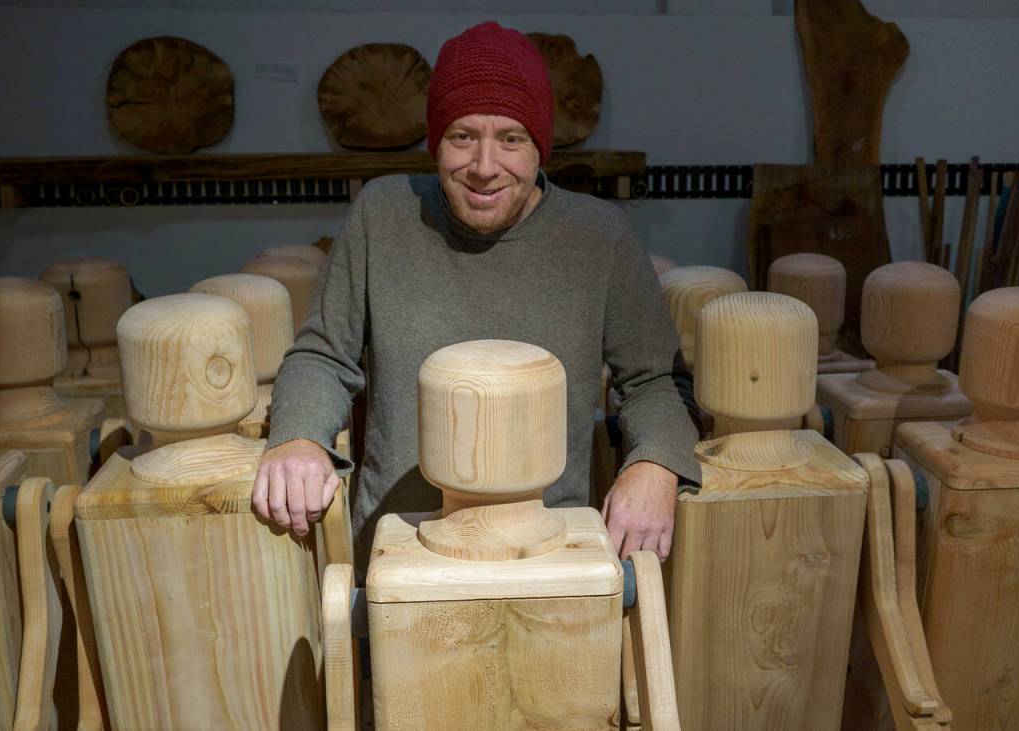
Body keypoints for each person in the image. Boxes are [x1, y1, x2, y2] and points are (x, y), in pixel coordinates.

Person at [253, 21, 700, 564]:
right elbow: (323, 354)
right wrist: (298, 439)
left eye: (511, 139)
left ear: (541, 146)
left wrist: (654, 466)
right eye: (463, 136)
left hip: (546, 551)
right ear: (436, 140)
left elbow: (653, 379)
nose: (485, 168)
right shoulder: (382, 214)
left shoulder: (599, 236)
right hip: (401, 550)